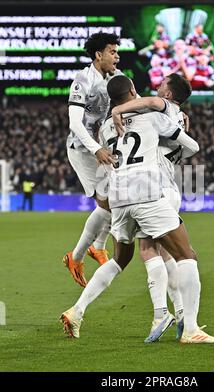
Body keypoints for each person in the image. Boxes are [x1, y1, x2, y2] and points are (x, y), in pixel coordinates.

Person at [60, 75, 214, 345]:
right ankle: (190, 327)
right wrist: (178, 134)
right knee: (186, 255)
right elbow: (188, 144)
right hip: (147, 192)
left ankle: (77, 311)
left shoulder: (104, 129)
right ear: (134, 91)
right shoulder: (154, 117)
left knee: (119, 260)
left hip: (118, 198)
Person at [111, 73, 192, 341]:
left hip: (157, 188)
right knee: (167, 255)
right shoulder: (177, 117)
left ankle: (163, 314)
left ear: (168, 95)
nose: (157, 89)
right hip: (169, 187)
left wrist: (119, 108)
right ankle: (181, 314)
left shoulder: (162, 107)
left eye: (161, 86)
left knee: (148, 250)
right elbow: (183, 143)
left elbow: (152, 103)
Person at [63, 32, 122, 287]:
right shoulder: (82, 81)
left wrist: (170, 109)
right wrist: (96, 148)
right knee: (110, 202)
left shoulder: (116, 78)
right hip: (82, 149)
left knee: (116, 199)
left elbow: (138, 101)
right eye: (112, 52)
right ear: (99, 55)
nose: (117, 57)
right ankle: (78, 256)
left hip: (103, 147)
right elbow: (74, 123)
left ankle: (93, 248)